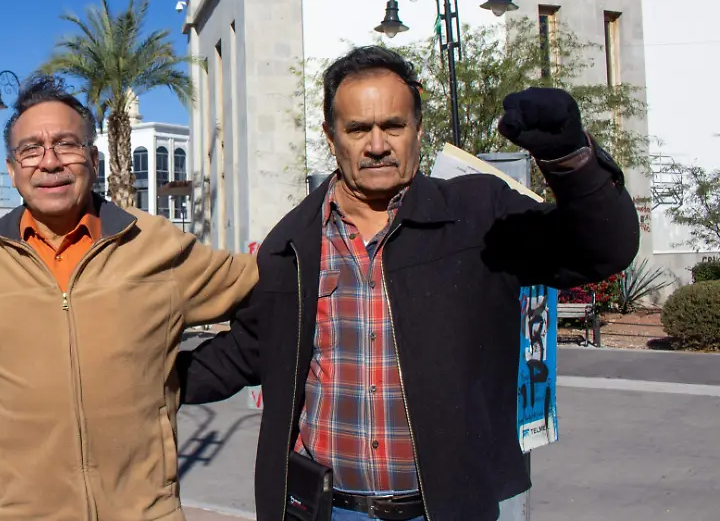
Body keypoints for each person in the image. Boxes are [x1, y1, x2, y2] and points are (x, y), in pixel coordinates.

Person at [176, 46, 639, 521]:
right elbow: (249, 350)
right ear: (331, 137)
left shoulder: (479, 216)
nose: (377, 145)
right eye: (358, 129)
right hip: (326, 510)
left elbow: (602, 250)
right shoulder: (292, 242)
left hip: (448, 508)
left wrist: (569, 160)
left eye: (393, 126)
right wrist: (141, 377)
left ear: (418, 129)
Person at [0, 76, 259, 520]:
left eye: (67, 145)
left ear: (94, 159)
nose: (49, 162)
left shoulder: (155, 245)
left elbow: (266, 293)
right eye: (31, 149)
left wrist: (185, 377)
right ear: (12, 169)